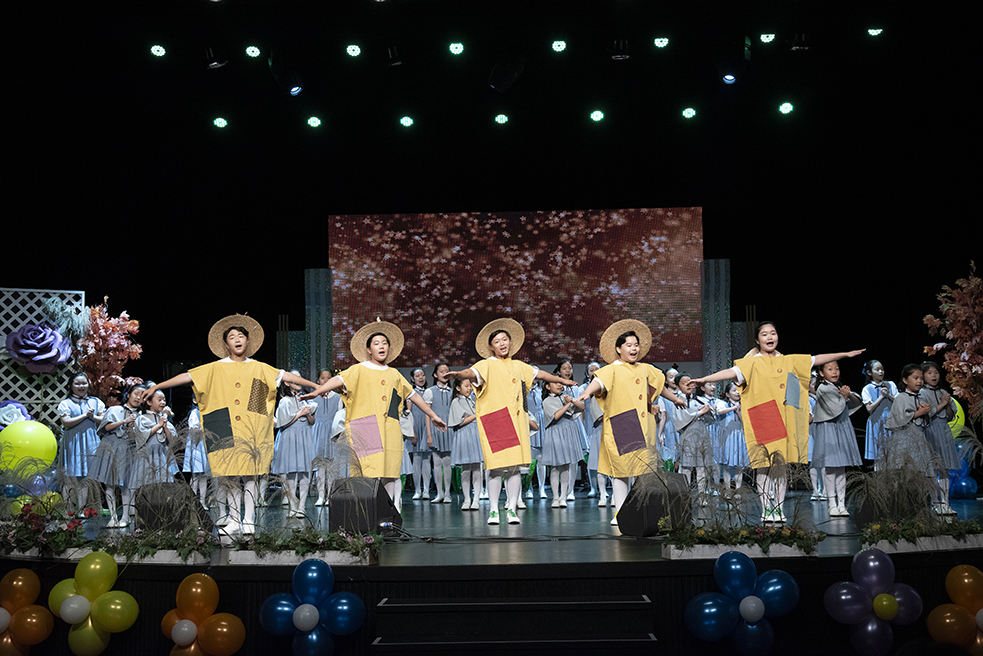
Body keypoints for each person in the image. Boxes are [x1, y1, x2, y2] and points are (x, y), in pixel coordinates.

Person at [141, 314, 318, 535]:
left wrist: (315, 386)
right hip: (222, 424)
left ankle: (249, 519)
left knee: (250, 474)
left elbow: (288, 378)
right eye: (232, 337)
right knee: (230, 475)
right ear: (226, 344)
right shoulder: (215, 367)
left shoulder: (259, 368)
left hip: (250, 426)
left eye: (241, 336)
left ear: (247, 341)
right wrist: (158, 385)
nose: (237, 339)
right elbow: (188, 376)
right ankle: (234, 518)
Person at [692, 321, 864, 524]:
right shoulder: (752, 362)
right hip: (763, 415)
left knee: (780, 466)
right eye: (764, 334)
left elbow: (816, 359)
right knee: (763, 465)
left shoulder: (787, 360)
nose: (769, 337)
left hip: (783, 417)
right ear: (757, 340)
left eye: (773, 333)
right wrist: (704, 379)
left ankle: (779, 508)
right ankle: (767, 508)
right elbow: (730, 372)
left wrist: (845, 354)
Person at [300, 320, 447, 508]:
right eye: (376, 343)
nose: (381, 346)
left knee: (388, 472)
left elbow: (413, 395)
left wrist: (433, 415)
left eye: (384, 343)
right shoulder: (359, 369)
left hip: (389, 429)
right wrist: (318, 391)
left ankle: (386, 512)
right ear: (369, 349)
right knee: (366, 472)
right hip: (366, 428)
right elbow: (339, 380)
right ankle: (365, 513)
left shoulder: (394, 374)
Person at [447, 318, 577, 526]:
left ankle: (512, 509)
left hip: (516, 420)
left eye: (504, 339)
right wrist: (459, 373)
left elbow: (540, 374)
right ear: (491, 346)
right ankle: (493, 510)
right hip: (496, 420)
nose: (502, 343)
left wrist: (562, 380)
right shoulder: (486, 364)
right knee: (496, 468)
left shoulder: (518, 365)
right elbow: (472, 373)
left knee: (515, 468)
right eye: (497, 341)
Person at [576, 320, 686, 525]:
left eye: (636, 345)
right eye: (629, 345)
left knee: (642, 471)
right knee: (621, 471)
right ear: (619, 348)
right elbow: (598, 382)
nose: (634, 348)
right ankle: (620, 513)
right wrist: (587, 392)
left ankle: (639, 511)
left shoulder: (645, 368)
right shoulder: (612, 369)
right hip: (624, 424)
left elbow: (659, 386)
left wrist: (675, 399)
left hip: (645, 426)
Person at [812, 361, 863, 518]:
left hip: (841, 427)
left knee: (841, 468)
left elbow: (856, 402)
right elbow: (834, 408)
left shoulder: (836, 387)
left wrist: (848, 395)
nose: (834, 372)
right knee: (830, 467)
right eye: (830, 369)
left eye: (837, 368)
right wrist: (844, 397)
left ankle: (841, 504)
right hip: (829, 429)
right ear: (822, 373)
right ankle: (832, 504)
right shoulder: (822, 388)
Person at [94, 382, 145, 527]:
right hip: (111, 446)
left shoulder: (142, 416)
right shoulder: (115, 409)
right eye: (136, 394)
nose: (138, 398)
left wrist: (132, 427)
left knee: (125, 484)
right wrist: (124, 421)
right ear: (128, 395)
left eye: (142, 396)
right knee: (109, 484)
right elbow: (106, 427)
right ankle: (112, 517)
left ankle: (125, 517)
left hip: (128, 449)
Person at [58, 372, 105, 511]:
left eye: (84, 383)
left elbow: (104, 419)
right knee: (70, 475)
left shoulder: (95, 401)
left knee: (86, 476)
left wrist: (93, 417)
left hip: (90, 441)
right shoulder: (66, 403)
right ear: (70, 386)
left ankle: (82, 509)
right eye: (77, 383)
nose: (81, 386)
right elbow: (66, 422)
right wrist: (84, 415)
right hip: (73, 442)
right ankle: (68, 509)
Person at [273, 370, 317, 518]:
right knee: (291, 473)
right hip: (290, 437)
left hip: (304, 436)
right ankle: (293, 506)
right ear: (287, 382)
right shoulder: (285, 401)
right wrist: (299, 414)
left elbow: (312, 422)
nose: (298, 381)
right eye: (295, 379)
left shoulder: (304, 399)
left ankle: (302, 506)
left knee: (305, 471)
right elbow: (282, 423)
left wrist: (308, 413)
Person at [919, 361, 960, 515]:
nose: (934, 375)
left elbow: (950, 416)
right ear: (923, 375)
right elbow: (927, 413)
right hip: (930, 430)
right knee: (932, 468)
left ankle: (945, 502)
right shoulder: (922, 393)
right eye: (929, 373)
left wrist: (947, 404)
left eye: (936, 372)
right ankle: (935, 503)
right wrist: (942, 404)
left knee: (944, 468)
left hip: (944, 430)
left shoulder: (943, 391)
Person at [540, 380, 585, 507]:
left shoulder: (565, 397)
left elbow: (582, 407)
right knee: (555, 466)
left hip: (568, 430)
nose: (560, 385)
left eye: (560, 383)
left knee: (566, 465)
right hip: (555, 431)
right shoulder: (547, 401)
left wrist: (572, 401)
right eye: (556, 383)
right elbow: (555, 416)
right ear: (548, 387)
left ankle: (563, 496)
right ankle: (555, 497)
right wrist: (568, 404)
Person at [449, 378, 483, 510]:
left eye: (470, 386)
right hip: (464, 434)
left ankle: (476, 499)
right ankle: (467, 499)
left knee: (477, 468)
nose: (469, 388)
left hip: (475, 433)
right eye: (466, 386)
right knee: (466, 469)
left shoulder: (473, 400)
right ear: (458, 388)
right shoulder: (456, 401)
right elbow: (459, 422)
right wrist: (476, 415)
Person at [423, 363, 454, 504]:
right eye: (441, 371)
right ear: (435, 374)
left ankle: (447, 493)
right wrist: (429, 435)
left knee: (447, 462)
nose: (444, 373)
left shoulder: (452, 391)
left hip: (449, 429)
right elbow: (427, 414)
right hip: (435, 429)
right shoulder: (430, 391)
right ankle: (439, 493)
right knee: (436, 462)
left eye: (447, 371)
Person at [311, 369, 341, 506]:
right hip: (318, 434)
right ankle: (321, 496)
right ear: (318, 380)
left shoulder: (338, 397)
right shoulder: (314, 397)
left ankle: (330, 495)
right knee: (320, 466)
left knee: (331, 466)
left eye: (329, 378)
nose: (326, 381)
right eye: (323, 378)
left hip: (332, 433)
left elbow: (340, 417)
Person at [861, 360, 897, 465]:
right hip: (876, 422)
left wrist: (888, 395)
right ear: (869, 373)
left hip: (891, 421)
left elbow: (898, 402)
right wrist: (881, 396)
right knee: (879, 455)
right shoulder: (867, 389)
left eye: (882, 369)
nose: (881, 372)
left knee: (894, 454)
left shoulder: (890, 384)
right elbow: (869, 408)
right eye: (877, 370)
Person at [407, 367, 433, 501]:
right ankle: (417, 490)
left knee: (427, 459)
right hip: (416, 427)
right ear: (412, 379)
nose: (421, 378)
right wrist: (413, 432)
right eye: (417, 376)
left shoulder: (429, 392)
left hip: (426, 426)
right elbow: (408, 414)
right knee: (416, 459)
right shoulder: (410, 394)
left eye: (422, 375)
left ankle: (426, 490)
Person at [717, 382, 747, 496]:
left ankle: (738, 491)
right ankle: (728, 490)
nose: (737, 393)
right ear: (727, 394)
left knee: (740, 465)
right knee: (727, 464)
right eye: (734, 390)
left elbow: (746, 423)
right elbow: (719, 411)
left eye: (738, 390)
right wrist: (734, 407)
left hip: (740, 435)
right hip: (728, 436)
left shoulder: (744, 405)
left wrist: (738, 412)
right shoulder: (723, 403)